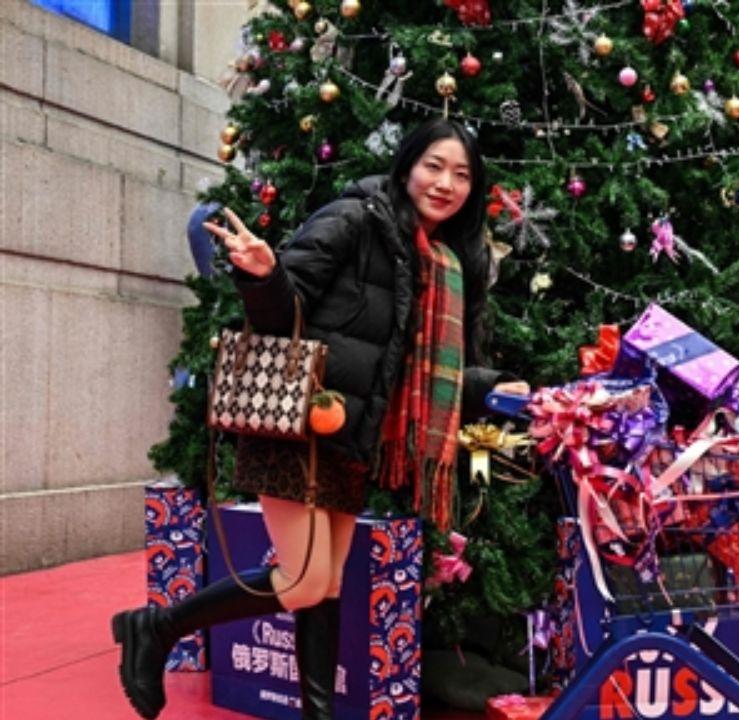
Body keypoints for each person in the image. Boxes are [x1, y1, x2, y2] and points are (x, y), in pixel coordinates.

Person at [111, 118, 527, 719]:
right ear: (406, 166)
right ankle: (156, 626)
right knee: (305, 580)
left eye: (461, 174)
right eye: (433, 165)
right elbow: (284, 313)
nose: (445, 183)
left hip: (351, 436)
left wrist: (493, 387)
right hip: (298, 422)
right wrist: (264, 274)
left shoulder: (442, 262)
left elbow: (414, 364)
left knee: (325, 584)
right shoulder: (357, 218)